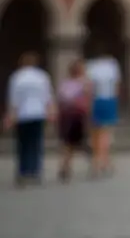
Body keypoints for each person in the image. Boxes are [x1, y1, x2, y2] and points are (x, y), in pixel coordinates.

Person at [3, 51, 54, 187]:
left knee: (23, 144)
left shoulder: (17, 77)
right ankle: (35, 170)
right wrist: (51, 113)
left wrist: (10, 116)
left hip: (22, 115)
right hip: (38, 113)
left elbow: (13, 99)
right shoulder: (42, 77)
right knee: (36, 143)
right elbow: (48, 97)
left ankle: (23, 171)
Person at [86, 47, 122, 176]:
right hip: (109, 100)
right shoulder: (112, 65)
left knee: (96, 133)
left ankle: (100, 162)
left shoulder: (90, 66)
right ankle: (102, 162)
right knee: (105, 133)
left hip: (96, 100)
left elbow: (89, 87)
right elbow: (117, 85)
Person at [56, 59, 93, 182]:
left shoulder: (66, 84)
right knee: (72, 143)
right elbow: (87, 101)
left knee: (69, 143)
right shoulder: (82, 84)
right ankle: (66, 167)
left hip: (71, 115)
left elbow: (62, 100)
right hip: (75, 115)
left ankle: (66, 167)